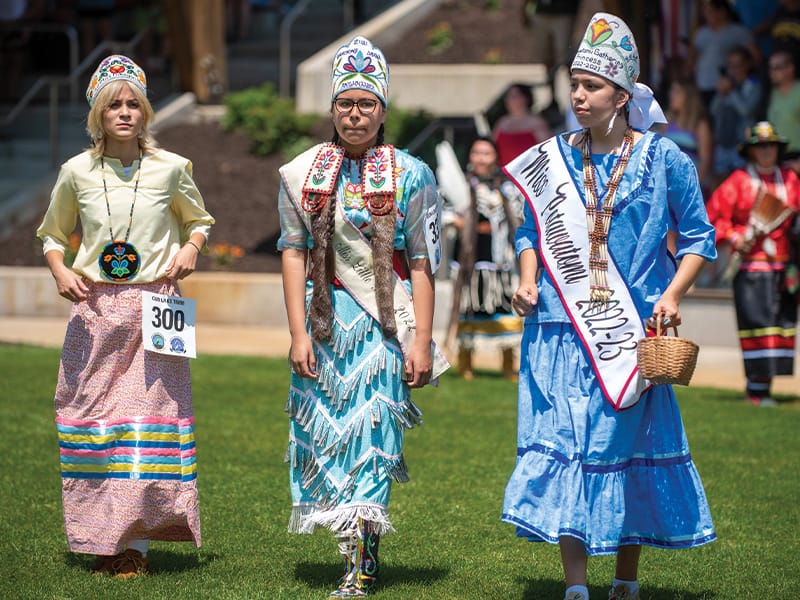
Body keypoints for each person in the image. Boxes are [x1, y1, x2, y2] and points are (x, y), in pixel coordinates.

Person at [501, 13, 717, 600]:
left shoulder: (665, 159)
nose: (578, 95)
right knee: (572, 450)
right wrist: (526, 279)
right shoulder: (553, 160)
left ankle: (625, 581)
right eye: (574, 83)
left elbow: (700, 237)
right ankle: (575, 587)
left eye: (591, 86)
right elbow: (528, 231)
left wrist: (672, 294)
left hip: (630, 337)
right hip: (559, 328)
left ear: (621, 96)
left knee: (624, 454)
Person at [276, 36, 448, 598]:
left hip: (383, 328)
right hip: (324, 325)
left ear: (383, 110)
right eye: (346, 103)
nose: (355, 114)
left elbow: (421, 262)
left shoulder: (412, 174)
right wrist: (297, 332)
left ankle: (363, 565)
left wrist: (422, 340)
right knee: (329, 440)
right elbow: (293, 251)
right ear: (331, 109)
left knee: (373, 438)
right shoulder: (305, 173)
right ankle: (347, 550)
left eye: (366, 104)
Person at [35, 55, 214, 578]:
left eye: (133, 103)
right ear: (97, 114)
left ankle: (133, 545)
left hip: (157, 306)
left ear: (146, 112)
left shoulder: (172, 168)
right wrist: (59, 269)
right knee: (94, 424)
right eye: (113, 104)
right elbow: (51, 233)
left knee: (147, 426)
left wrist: (192, 249)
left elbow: (198, 220)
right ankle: (98, 535)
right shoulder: (76, 172)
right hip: (95, 309)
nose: (124, 111)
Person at [705, 121, 800, 406]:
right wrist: (735, 235)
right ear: (751, 152)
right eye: (760, 147)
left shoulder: (791, 180)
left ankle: (766, 387)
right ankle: (756, 389)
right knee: (756, 326)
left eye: (771, 146)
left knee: (779, 325)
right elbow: (712, 216)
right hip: (750, 268)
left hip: (783, 267)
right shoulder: (738, 181)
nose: (766, 152)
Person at [446, 136, 524, 381]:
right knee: (469, 311)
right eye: (476, 152)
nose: (481, 158)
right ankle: (465, 365)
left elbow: (520, 217)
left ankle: (508, 365)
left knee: (506, 312)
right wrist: (456, 221)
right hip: (472, 262)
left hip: (501, 263)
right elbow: (441, 212)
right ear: (470, 157)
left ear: (496, 158)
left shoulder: (507, 189)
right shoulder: (460, 186)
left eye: (486, 153)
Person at [689, 0, 759, 105]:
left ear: (722, 12)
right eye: (705, 11)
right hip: (702, 85)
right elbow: (692, 59)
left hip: (727, 87)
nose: (707, 15)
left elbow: (756, 57)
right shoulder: (701, 33)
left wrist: (742, 78)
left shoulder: (739, 32)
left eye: (710, 11)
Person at [709, 46, 764, 178]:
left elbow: (746, 111)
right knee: (720, 183)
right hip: (722, 144)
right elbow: (713, 111)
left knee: (742, 181)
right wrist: (720, 93)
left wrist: (732, 91)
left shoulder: (754, 85)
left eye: (738, 65)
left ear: (747, 65)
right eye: (731, 65)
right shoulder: (726, 84)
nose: (734, 70)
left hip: (741, 145)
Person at [661, 78, 715, 195]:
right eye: (671, 91)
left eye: (677, 91)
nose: (671, 95)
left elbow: (705, 161)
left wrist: (692, 189)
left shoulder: (700, 124)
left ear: (688, 97)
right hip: (666, 185)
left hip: (690, 188)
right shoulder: (667, 120)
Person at [492, 82, 554, 166]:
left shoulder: (537, 122)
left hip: (530, 174)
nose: (509, 100)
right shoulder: (502, 122)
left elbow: (548, 151)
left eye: (514, 96)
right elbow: (492, 149)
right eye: (508, 96)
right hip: (504, 174)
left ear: (525, 98)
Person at [766, 49, 800, 172]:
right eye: (770, 68)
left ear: (790, 68)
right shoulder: (772, 93)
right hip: (777, 159)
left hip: (796, 158)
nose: (771, 73)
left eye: (777, 68)